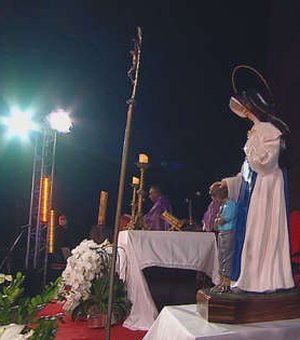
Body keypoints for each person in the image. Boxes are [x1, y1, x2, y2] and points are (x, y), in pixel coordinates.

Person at [212, 67, 294, 292]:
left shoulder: (269, 131)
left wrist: (250, 147)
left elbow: (264, 165)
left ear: (252, 107)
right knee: (253, 237)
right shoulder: (256, 133)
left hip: (267, 191)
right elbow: (246, 173)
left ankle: (266, 280)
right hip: (256, 193)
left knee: (264, 235)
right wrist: (227, 184)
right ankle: (250, 278)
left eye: (245, 108)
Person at [209, 183, 237, 293]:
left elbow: (224, 219)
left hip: (228, 233)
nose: (213, 199)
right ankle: (221, 282)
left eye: (214, 196)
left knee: (227, 257)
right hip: (222, 233)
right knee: (221, 257)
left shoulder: (231, 204)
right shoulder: (222, 206)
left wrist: (217, 222)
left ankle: (226, 283)